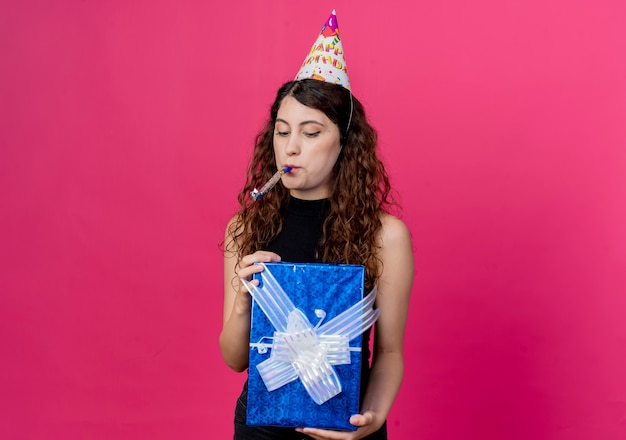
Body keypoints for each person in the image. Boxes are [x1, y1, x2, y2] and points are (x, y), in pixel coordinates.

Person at [220, 11, 414, 440]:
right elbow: (235, 360)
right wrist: (241, 300)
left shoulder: (386, 236)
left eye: (311, 133)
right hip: (260, 428)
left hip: (347, 425)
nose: (290, 147)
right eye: (282, 131)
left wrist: (373, 419)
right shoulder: (244, 228)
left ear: (344, 144)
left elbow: (389, 351)